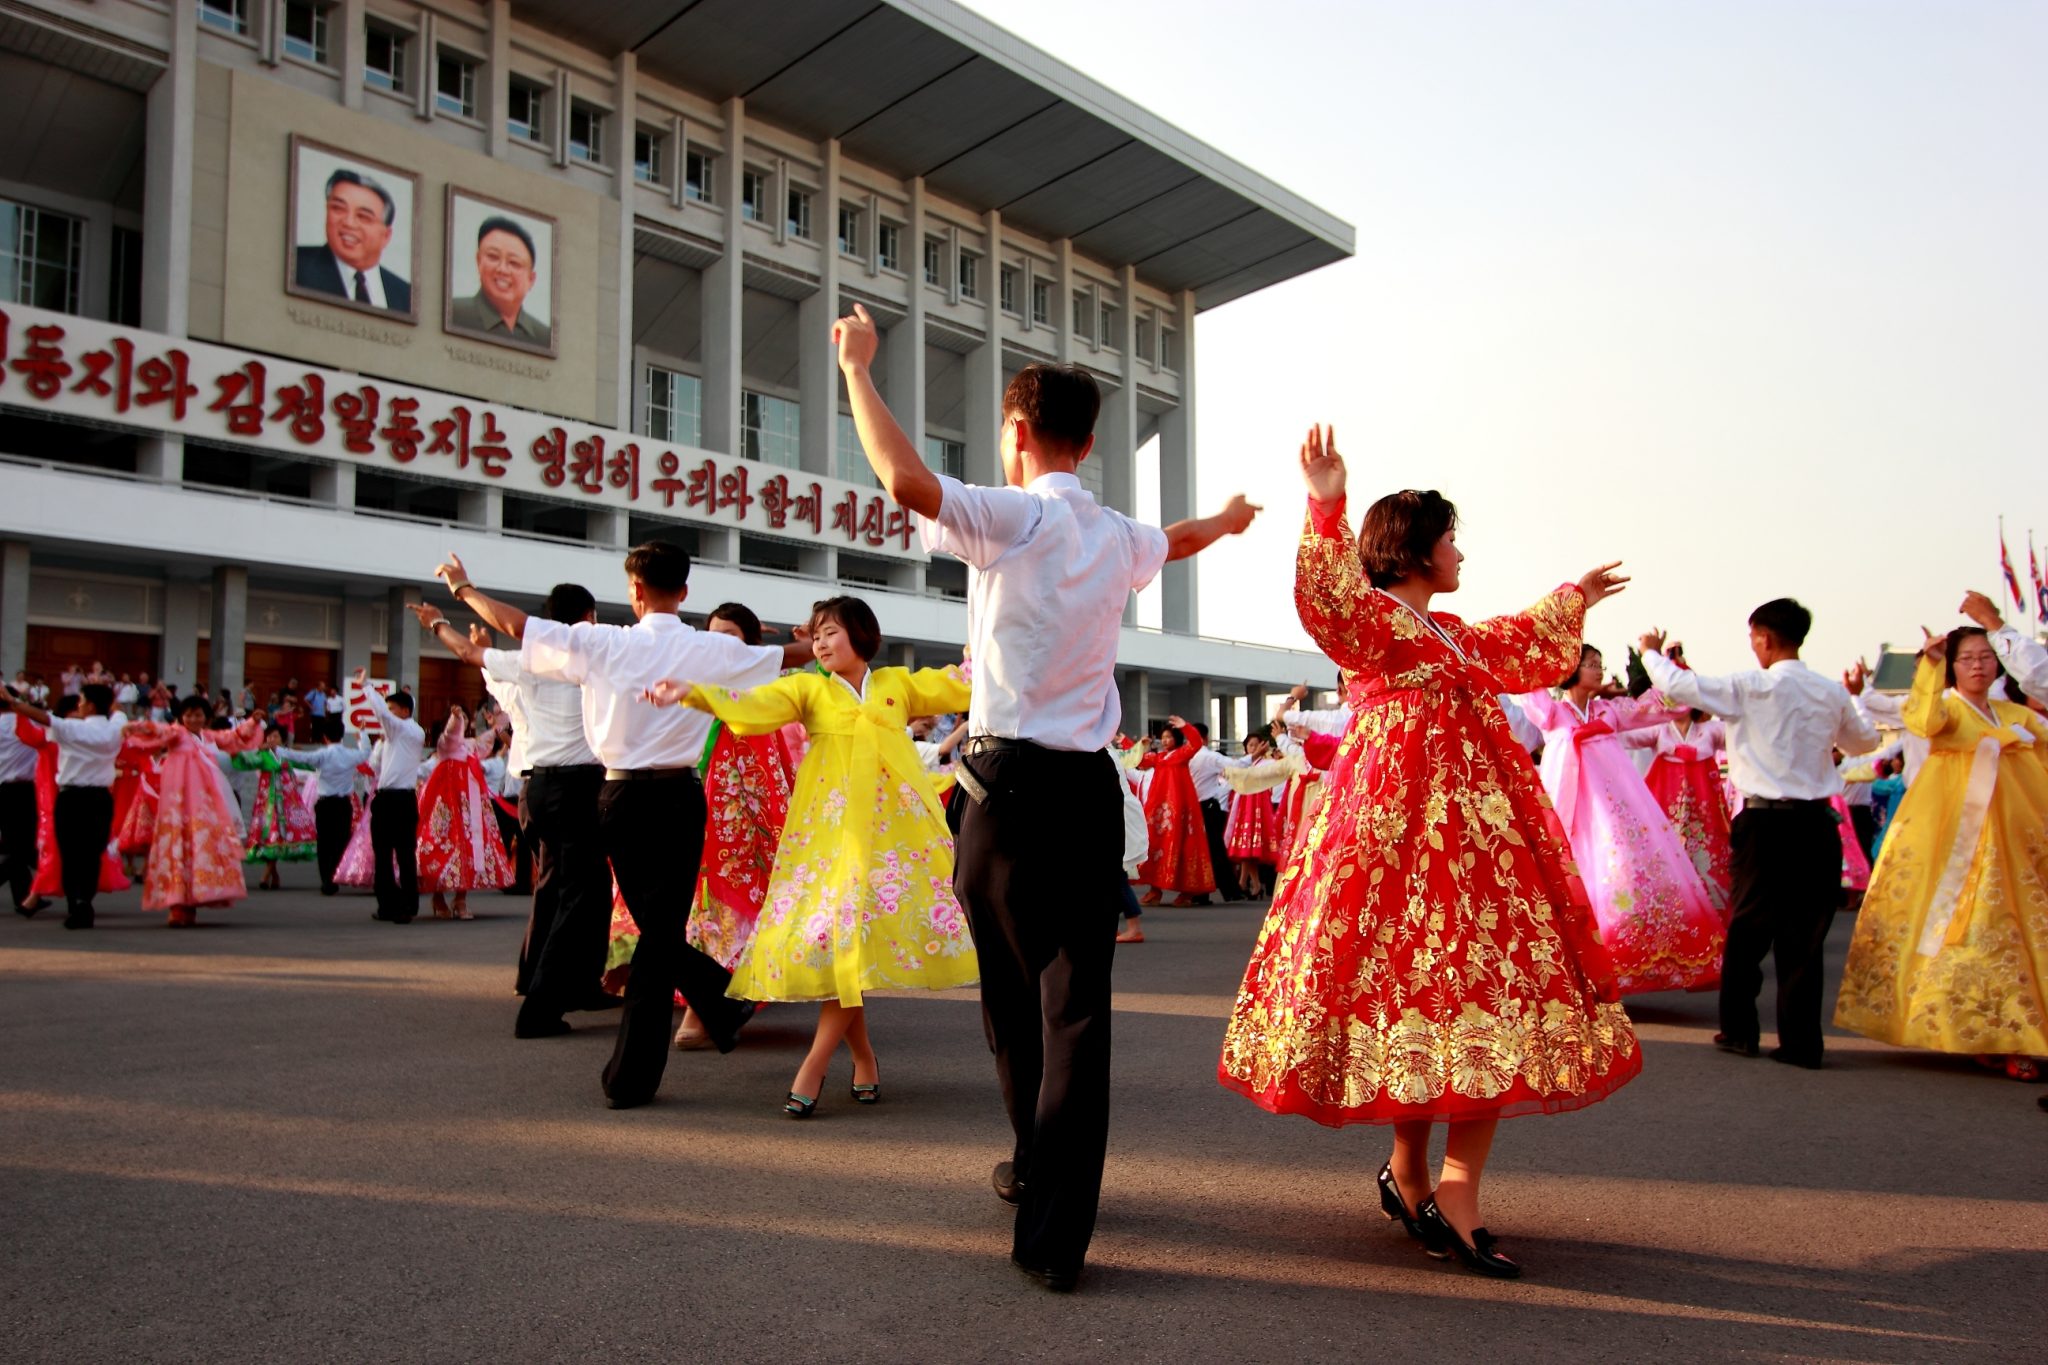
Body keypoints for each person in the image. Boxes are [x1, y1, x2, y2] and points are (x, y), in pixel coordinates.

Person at [834, 300, 1260, 1292]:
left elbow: (903, 481)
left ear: (1016, 434)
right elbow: (1179, 538)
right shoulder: (1116, 536)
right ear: (1093, 438)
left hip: (1001, 788)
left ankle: (1030, 1160)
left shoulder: (1011, 514)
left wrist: (857, 368)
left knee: (1007, 1002)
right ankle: (1055, 1235)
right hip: (1081, 789)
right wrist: (1232, 523)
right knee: (1077, 1012)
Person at [1220, 427, 1638, 1280]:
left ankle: (1438, 1182)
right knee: (1431, 993)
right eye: (1449, 537)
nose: (1460, 551)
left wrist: (1573, 597)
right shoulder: (1374, 625)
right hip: (1396, 841)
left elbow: (1521, 638)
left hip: (1474, 847)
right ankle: (1425, 1178)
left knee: (1460, 996)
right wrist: (1327, 501)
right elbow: (1327, 597)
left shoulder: (1449, 633)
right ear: (1412, 549)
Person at [434, 542, 812, 1107]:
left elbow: (516, 625)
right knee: (661, 933)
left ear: (634, 591)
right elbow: (789, 657)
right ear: (685, 592)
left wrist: (463, 591)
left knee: (656, 934)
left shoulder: (601, 642)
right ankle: (715, 1005)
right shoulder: (710, 647)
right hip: (683, 796)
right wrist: (819, 637)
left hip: (620, 796)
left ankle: (642, 1068)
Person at [649, 596, 976, 1114]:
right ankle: (852, 1058)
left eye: (831, 633)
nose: (820, 644)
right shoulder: (808, 690)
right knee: (842, 946)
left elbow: (959, 682)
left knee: (852, 949)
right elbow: (755, 705)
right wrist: (696, 694)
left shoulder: (896, 685)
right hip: (831, 841)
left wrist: (985, 650)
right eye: (816, 635)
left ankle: (822, 1063)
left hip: (893, 842)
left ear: (862, 635)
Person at [1640, 600, 1879, 1069]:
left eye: (1754, 638)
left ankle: (1740, 1030)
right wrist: (1853, 696)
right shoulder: (1829, 692)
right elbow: (1863, 743)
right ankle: (1802, 1043)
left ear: (1764, 638)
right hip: (1815, 823)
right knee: (1805, 935)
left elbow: (1680, 684)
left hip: (1764, 821)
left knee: (1748, 926)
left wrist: (1650, 652)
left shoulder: (1750, 686)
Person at [1834, 624, 2048, 1080]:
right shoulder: (1947, 711)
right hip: (1956, 840)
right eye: (1967, 657)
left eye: (1986, 657)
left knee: (2019, 928)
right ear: (1952, 667)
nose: (1977, 665)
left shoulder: (2016, 715)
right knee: (1974, 926)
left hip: (2014, 839)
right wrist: (1929, 665)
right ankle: (1997, 1030)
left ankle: (2011, 1030)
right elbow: (1922, 720)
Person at [414, 591, 613, 1039]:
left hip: (538, 786)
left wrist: (437, 622)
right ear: (589, 617)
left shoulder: (524, 662)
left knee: (577, 888)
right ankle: (541, 1008)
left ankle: (575, 985)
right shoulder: (596, 655)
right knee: (578, 894)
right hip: (577, 785)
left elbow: (469, 653)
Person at [1518, 647, 1726, 994]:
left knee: (1621, 879)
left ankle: (1621, 965)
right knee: (1575, 880)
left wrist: (1667, 663)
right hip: (1571, 812)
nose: (1598, 671)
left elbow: (1670, 704)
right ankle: (1573, 969)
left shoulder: (1610, 712)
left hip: (1613, 815)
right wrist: (1547, 649)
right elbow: (1527, 683)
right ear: (1570, 669)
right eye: (1590, 665)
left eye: (1600, 664)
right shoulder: (1553, 714)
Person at [120, 697, 260, 926]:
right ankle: (177, 905)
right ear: (181, 717)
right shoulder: (176, 734)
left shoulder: (208, 737)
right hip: (178, 805)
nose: (193, 719)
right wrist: (135, 726)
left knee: (199, 851)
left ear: (206, 718)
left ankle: (193, 901)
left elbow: (233, 738)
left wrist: (252, 723)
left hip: (204, 806)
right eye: (189, 715)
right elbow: (157, 729)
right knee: (178, 848)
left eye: (198, 715)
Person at [0, 684, 128, 929]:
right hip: (101, 798)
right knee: (91, 855)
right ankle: (83, 902)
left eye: (82, 700)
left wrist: (14, 702)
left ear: (90, 705)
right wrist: (111, 698)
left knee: (70, 854)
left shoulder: (71, 728)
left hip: (71, 799)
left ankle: (76, 903)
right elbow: (119, 710)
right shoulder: (115, 728)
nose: (78, 704)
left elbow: (42, 717)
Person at [414, 705, 515, 920]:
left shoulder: (470, 746)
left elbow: (488, 739)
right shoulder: (445, 743)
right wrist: (456, 717)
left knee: (470, 845)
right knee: (443, 842)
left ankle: (461, 897)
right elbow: (453, 732)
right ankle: (438, 895)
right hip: (446, 799)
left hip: (469, 801)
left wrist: (502, 720)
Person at [1627, 707, 1733, 907]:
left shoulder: (1710, 730)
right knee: (1664, 859)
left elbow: (1743, 735)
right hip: (1666, 809)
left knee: (1709, 861)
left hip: (1705, 811)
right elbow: (1620, 736)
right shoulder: (1659, 730)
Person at [354, 669, 426, 924]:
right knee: (382, 854)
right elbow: (374, 764)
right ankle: (387, 904)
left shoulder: (412, 732)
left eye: (393, 709)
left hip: (402, 799)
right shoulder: (390, 738)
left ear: (405, 712)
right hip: (384, 798)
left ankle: (407, 905)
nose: (388, 714)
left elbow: (382, 715)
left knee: (405, 854)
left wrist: (366, 687)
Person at [294, 166, 413, 313]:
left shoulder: (406, 295)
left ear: (386, 236)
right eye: (338, 208)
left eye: (363, 217)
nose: (348, 223)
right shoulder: (295, 264)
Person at [1135, 719, 1216, 907]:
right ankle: (1155, 889)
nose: (1164, 740)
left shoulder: (1182, 754)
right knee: (1155, 844)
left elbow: (1196, 743)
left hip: (1180, 809)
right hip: (1159, 810)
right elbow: (1138, 760)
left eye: (1169, 737)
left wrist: (1184, 726)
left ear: (1177, 739)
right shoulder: (1159, 757)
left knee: (1183, 845)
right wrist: (1133, 744)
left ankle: (1186, 893)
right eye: (1163, 737)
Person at [280, 717, 364, 895]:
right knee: (341, 840)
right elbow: (366, 752)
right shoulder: (351, 754)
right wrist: (362, 735)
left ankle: (327, 878)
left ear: (325, 737)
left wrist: (278, 749)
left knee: (324, 842)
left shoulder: (322, 755)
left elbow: (301, 757)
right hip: (343, 803)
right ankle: (335, 872)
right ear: (342, 735)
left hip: (326, 803)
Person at [237, 723, 319, 889]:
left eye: (275, 736)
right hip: (268, 802)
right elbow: (246, 762)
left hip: (288, 802)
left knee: (279, 836)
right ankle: (271, 874)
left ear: (282, 740)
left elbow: (307, 764)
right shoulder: (262, 755)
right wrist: (253, 750)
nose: (272, 739)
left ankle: (268, 875)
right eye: (270, 736)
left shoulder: (287, 756)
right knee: (270, 835)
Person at [448, 216, 549, 348]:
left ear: (531, 279)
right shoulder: (452, 312)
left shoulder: (544, 337)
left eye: (514, 263)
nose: (502, 269)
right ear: (479, 261)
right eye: (493, 257)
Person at [1221, 729, 1287, 899]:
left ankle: (1249, 883)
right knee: (1246, 848)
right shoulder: (1243, 763)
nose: (1253, 748)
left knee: (1250, 847)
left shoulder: (1267, 763)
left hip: (1258, 806)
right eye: (1250, 745)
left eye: (1257, 745)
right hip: (1245, 806)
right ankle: (1248, 883)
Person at [1186, 720, 1244, 901]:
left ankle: (1226, 891)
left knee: (1213, 850)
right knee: (1204, 851)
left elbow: (1236, 765)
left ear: (1203, 738)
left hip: (1207, 807)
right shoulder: (1187, 755)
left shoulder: (1207, 756)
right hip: (1196, 808)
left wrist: (1252, 757)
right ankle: (1204, 892)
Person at [2, 688, 40, 915]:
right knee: (22, 849)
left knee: (17, 847)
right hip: (26, 790)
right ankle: (26, 897)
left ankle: (24, 899)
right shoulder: (27, 723)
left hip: (4, 789)